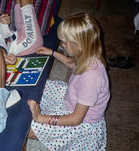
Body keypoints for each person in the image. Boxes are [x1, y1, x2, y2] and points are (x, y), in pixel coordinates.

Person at [27, 13, 110, 150]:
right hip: (72, 98)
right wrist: (52, 53)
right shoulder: (89, 54)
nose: (62, 45)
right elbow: (74, 65)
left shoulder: (91, 78)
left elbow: (76, 119)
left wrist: (41, 117)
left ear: (79, 45)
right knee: (40, 85)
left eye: (65, 42)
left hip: (81, 122)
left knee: (28, 129)